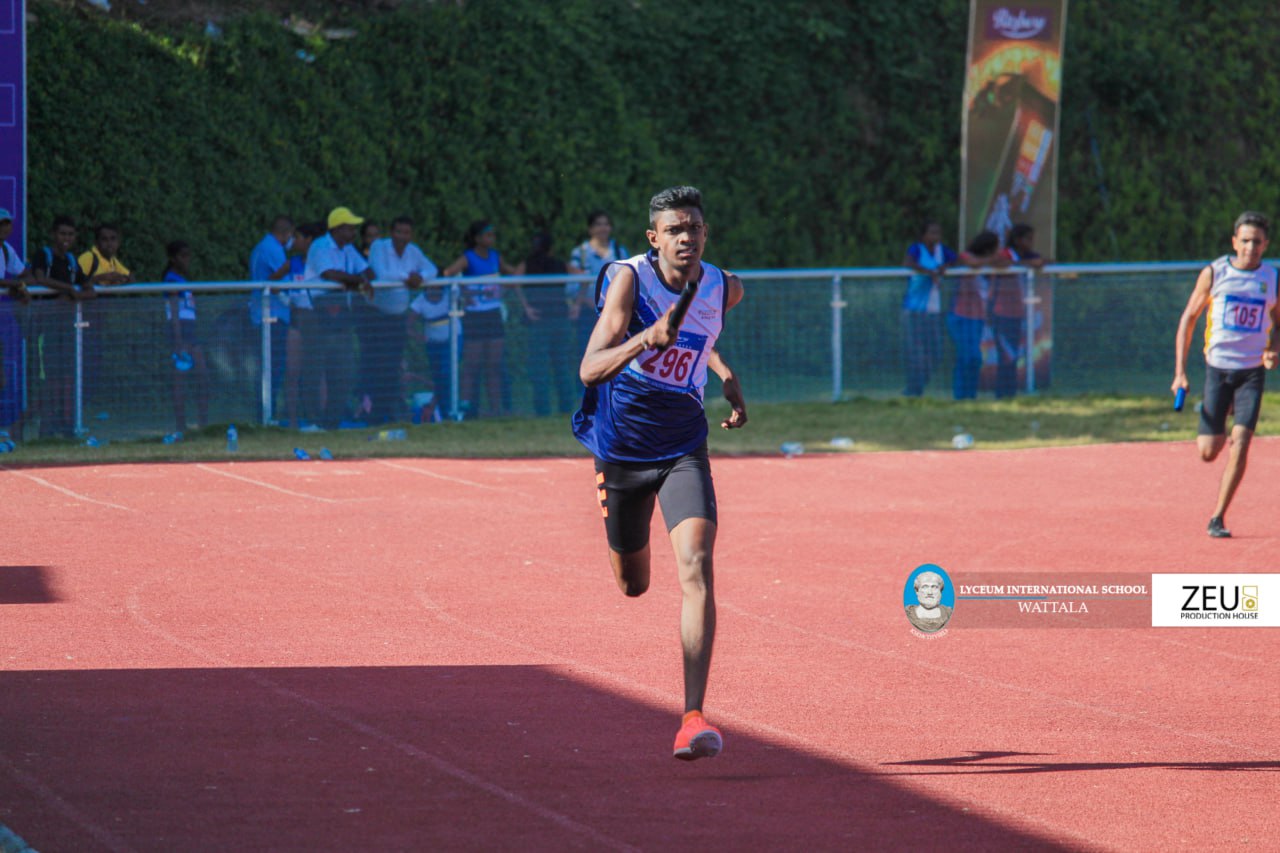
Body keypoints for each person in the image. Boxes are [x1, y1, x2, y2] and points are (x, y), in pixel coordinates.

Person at [573, 186, 747, 761]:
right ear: (654, 238)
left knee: (697, 564)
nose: (686, 237)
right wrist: (646, 338)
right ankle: (621, 540)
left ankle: (692, 716)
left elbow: (701, 333)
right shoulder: (627, 280)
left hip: (682, 446)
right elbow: (591, 366)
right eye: (675, 229)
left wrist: (722, 372)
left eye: (694, 227)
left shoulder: (724, 285)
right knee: (634, 583)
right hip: (622, 449)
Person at [1173, 210, 1280, 538]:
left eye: (1257, 242)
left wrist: (1273, 347)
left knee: (1243, 441)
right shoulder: (1215, 273)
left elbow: (1278, 319)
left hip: (1250, 372)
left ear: (1265, 245)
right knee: (1208, 452)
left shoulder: (1272, 278)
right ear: (1235, 241)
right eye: (1245, 240)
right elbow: (1188, 320)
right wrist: (1180, 372)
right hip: (1218, 369)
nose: (1250, 247)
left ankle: (1217, 517)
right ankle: (1224, 412)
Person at [442, 220, 523, 418]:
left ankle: (496, 410)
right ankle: (464, 409)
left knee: (493, 365)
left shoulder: (495, 257)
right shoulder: (468, 258)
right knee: (471, 364)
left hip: (493, 314)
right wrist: (463, 292)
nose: (491, 239)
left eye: (493, 235)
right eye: (487, 235)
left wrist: (514, 277)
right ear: (477, 238)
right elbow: (448, 273)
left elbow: (513, 273)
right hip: (475, 316)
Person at [304, 207, 374, 428]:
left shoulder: (349, 249)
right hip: (318, 313)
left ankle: (330, 423)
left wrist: (356, 280)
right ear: (337, 229)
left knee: (343, 372)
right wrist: (357, 281)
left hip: (342, 313)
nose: (354, 232)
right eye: (349, 228)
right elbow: (329, 274)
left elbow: (368, 271)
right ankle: (314, 422)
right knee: (316, 371)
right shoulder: (320, 246)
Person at [367, 216, 437, 423]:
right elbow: (381, 274)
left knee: (394, 365)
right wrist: (409, 278)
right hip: (376, 317)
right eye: (399, 232)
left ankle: (389, 411)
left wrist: (420, 277)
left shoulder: (413, 251)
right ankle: (373, 414)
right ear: (391, 232)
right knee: (376, 365)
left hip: (398, 318)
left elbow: (431, 269)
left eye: (406, 233)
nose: (402, 237)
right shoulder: (379, 247)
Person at [30, 216, 95, 437]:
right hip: (46, 327)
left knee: (68, 376)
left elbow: (89, 289)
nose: (66, 238)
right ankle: (44, 428)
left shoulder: (71, 261)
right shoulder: (44, 256)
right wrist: (68, 288)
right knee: (49, 378)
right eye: (62, 233)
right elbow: (39, 279)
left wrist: (77, 295)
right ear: (53, 234)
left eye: (70, 234)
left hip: (67, 328)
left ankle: (67, 424)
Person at [78, 223, 133, 415]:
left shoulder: (113, 261)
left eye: (113, 239)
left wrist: (117, 278)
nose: (109, 244)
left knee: (93, 367)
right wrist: (102, 278)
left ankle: (83, 412)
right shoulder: (88, 258)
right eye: (104, 239)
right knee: (79, 367)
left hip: (96, 326)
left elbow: (130, 277)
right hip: (80, 323)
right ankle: (72, 414)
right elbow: (75, 281)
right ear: (96, 242)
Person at [522, 231, 577, 416]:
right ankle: (563, 409)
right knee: (556, 366)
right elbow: (583, 276)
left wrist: (526, 307)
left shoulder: (529, 264)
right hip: (553, 321)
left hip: (546, 321)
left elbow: (512, 280)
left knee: (544, 367)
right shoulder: (559, 264)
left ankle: (544, 411)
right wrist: (575, 305)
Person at [947, 230, 1006, 400]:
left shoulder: (991, 269)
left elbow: (1006, 264)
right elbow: (971, 263)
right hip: (960, 316)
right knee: (968, 356)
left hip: (977, 318)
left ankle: (970, 395)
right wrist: (990, 261)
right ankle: (960, 395)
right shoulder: (966, 257)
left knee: (974, 359)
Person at [991, 223, 1048, 399]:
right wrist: (1024, 264)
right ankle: (1002, 393)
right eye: (1027, 239)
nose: (1031, 243)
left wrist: (1036, 262)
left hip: (1017, 314)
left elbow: (1041, 262)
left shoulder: (1028, 255)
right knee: (1006, 355)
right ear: (1017, 240)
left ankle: (1010, 392)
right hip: (1001, 313)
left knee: (1014, 355)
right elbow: (1000, 263)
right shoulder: (1007, 254)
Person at [901, 222, 958, 396]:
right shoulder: (916, 249)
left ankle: (919, 383)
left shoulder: (942, 251)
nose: (936, 236)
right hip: (914, 309)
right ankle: (913, 389)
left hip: (933, 309)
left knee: (935, 351)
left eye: (938, 233)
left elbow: (956, 260)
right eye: (932, 232)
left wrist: (945, 267)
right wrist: (929, 271)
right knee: (916, 351)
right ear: (924, 235)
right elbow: (908, 263)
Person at [161, 241, 209, 436]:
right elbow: (173, 309)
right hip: (181, 333)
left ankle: (202, 425)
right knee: (180, 379)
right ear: (173, 258)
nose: (186, 260)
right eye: (182, 256)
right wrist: (178, 339)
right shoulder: (171, 279)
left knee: (203, 377)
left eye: (188, 255)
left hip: (191, 331)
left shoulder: (182, 279)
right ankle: (181, 426)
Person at [248, 215, 296, 405]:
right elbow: (277, 284)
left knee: (271, 367)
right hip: (271, 317)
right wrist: (290, 300)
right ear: (286, 233)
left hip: (266, 315)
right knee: (273, 368)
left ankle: (267, 412)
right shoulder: (273, 249)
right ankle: (267, 414)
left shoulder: (263, 247)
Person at [281, 222, 324, 429]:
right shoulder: (292, 263)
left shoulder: (321, 264)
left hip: (316, 319)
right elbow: (270, 282)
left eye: (298, 237)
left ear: (309, 240)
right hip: (297, 320)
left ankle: (319, 420)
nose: (294, 241)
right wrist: (284, 297)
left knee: (317, 371)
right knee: (293, 371)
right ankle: (293, 421)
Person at [567, 210, 628, 356]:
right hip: (588, 314)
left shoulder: (619, 252)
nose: (603, 228)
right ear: (590, 229)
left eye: (606, 224)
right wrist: (589, 302)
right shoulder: (580, 253)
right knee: (588, 353)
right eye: (598, 224)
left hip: (615, 312)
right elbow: (571, 287)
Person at [0, 210, 33, 432]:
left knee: (1, 376)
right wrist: (15, 287)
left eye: (7, 223)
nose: (5, 227)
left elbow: (22, 274)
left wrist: (22, 288)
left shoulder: (5, 249)